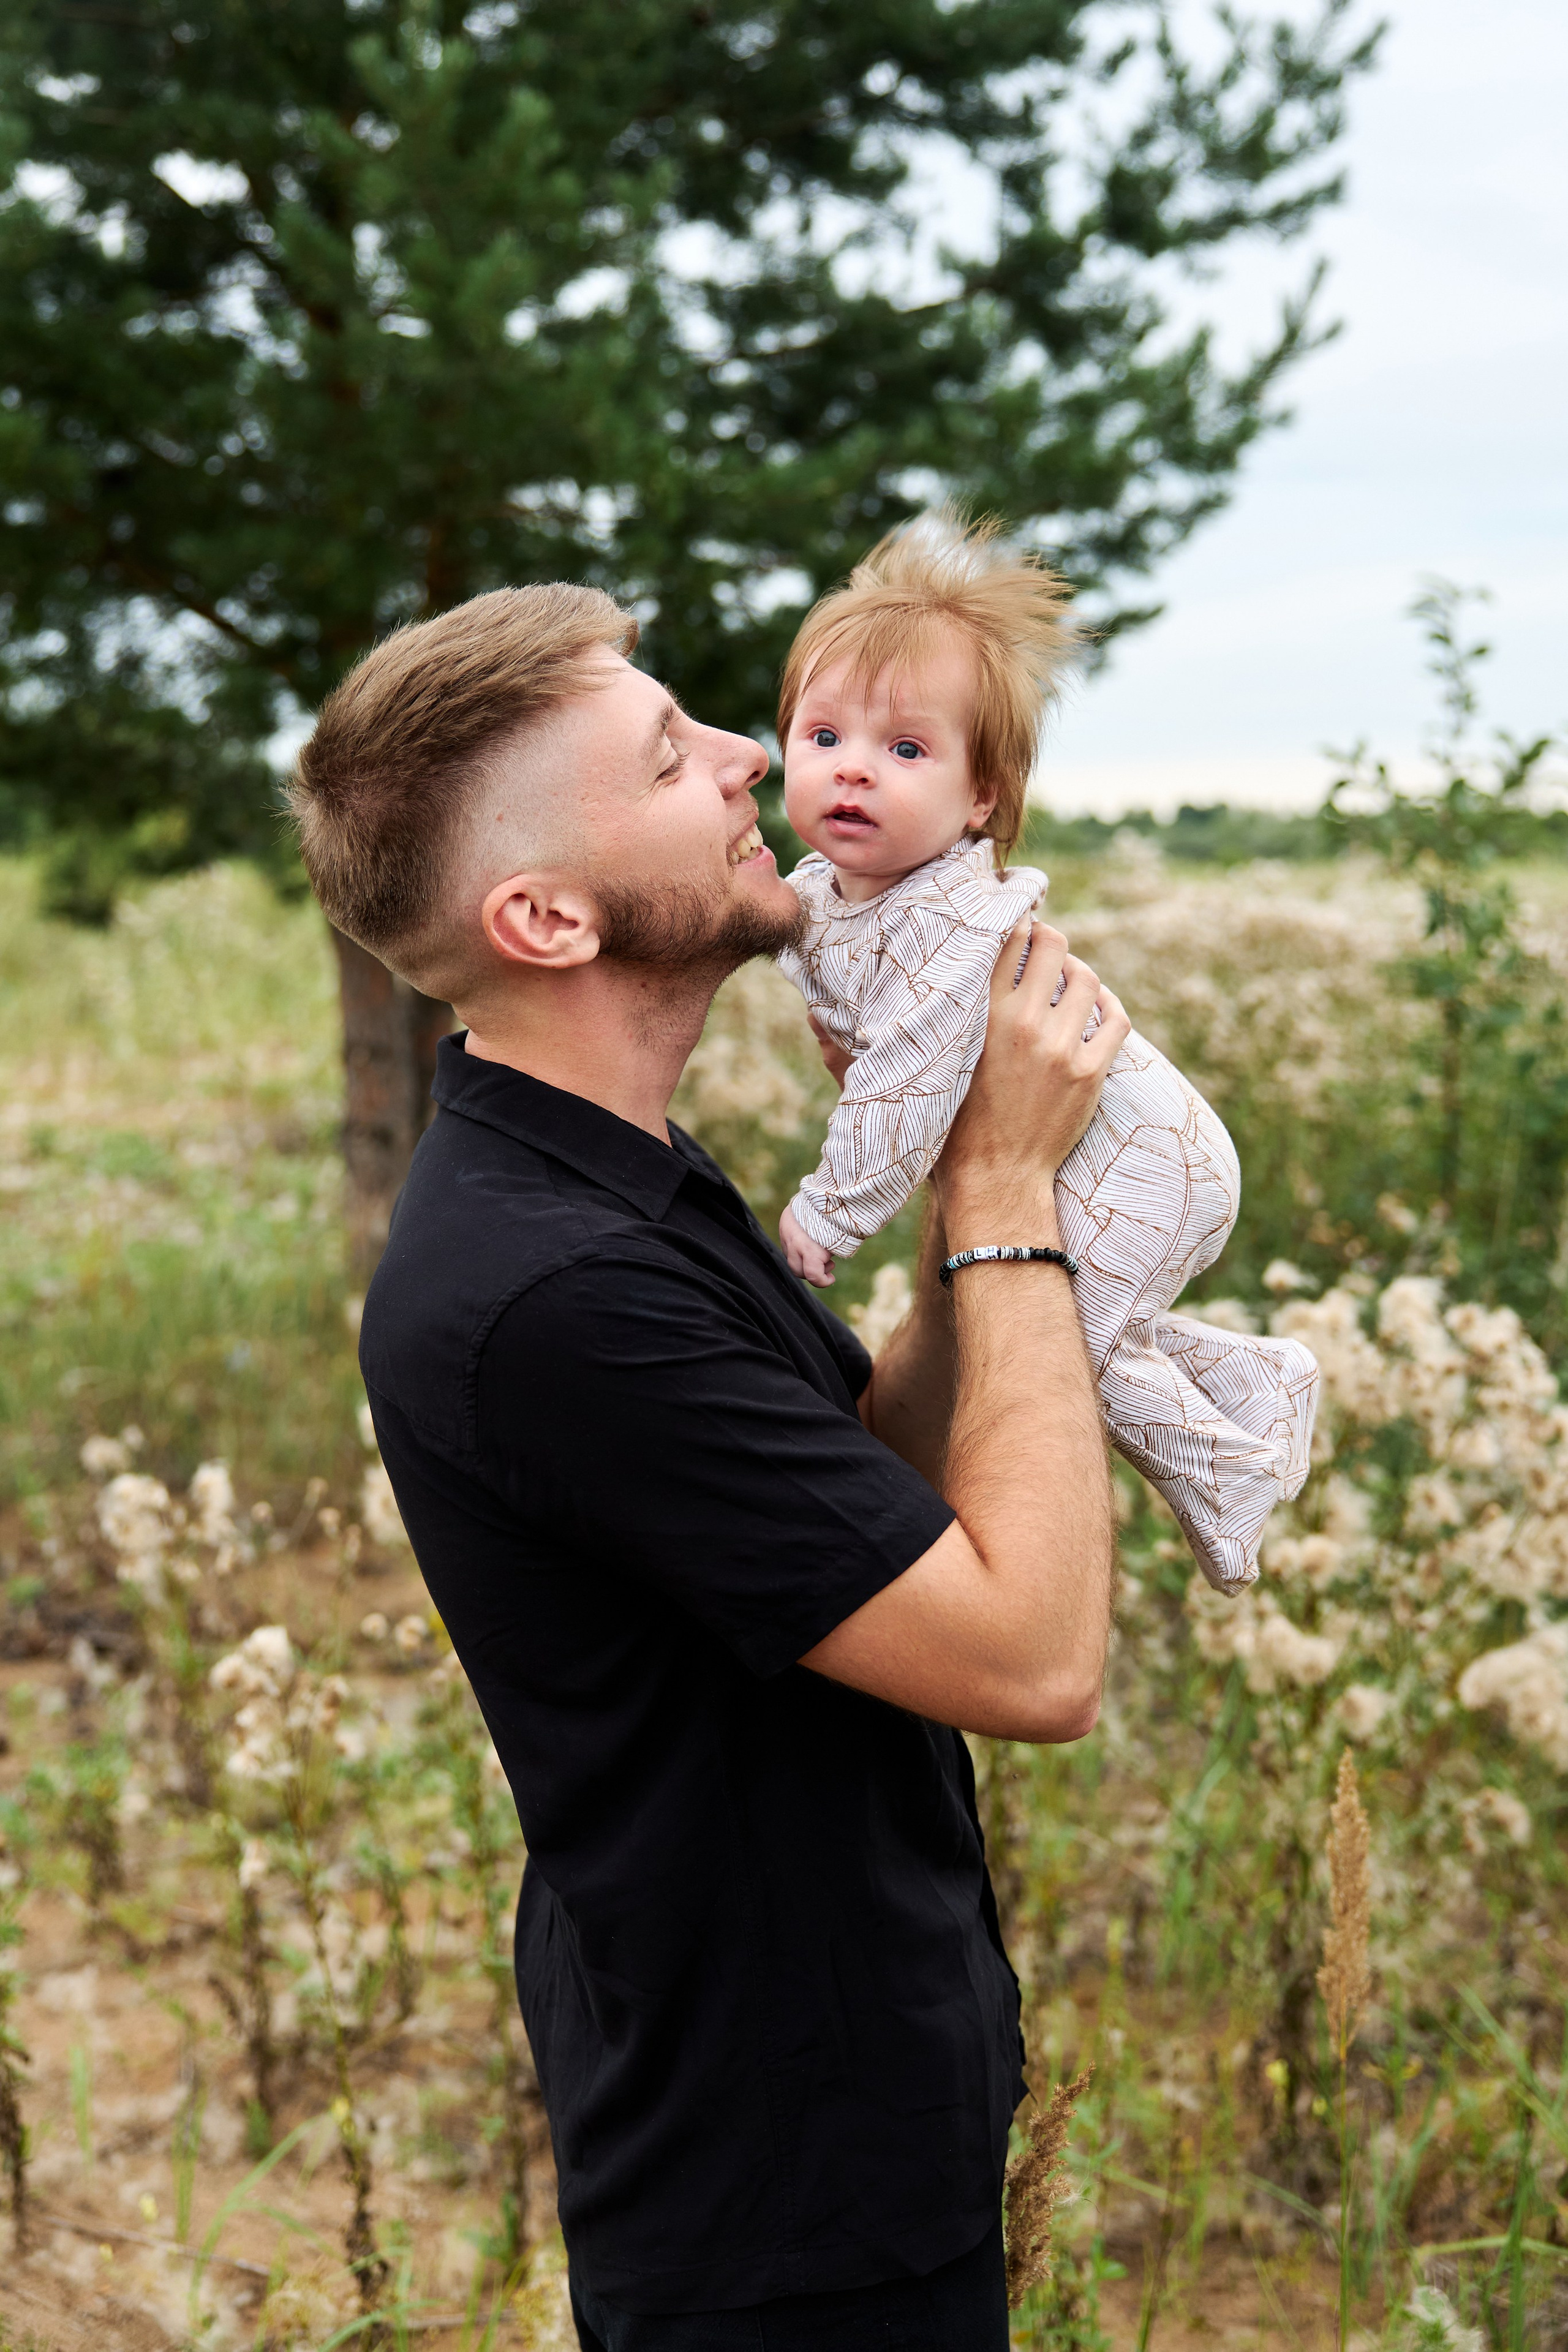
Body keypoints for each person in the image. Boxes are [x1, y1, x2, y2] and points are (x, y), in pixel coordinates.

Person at [288, 580, 1129, 2352]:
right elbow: (1032, 1656)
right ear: (544, 914)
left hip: (832, 2101)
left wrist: (948, 1172)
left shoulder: (613, 1178)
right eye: (673, 758)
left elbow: (864, 1493)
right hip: (782, 2201)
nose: (758, 754)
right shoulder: (560, 1296)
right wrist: (1004, 1197)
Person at [775, 511, 1319, 1593]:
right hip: (1081, 1151)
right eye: (822, 737)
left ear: (982, 801)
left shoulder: (950, 923)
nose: (854, 773)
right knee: (1089, 1338)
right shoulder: (822, 893)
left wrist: (830, 1207)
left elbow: (911, 1080)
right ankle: (1264, 1390)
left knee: (1065, 1354)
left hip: (1147, 1164)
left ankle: (1237, 1474)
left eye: (907, 749)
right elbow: (787, 944)